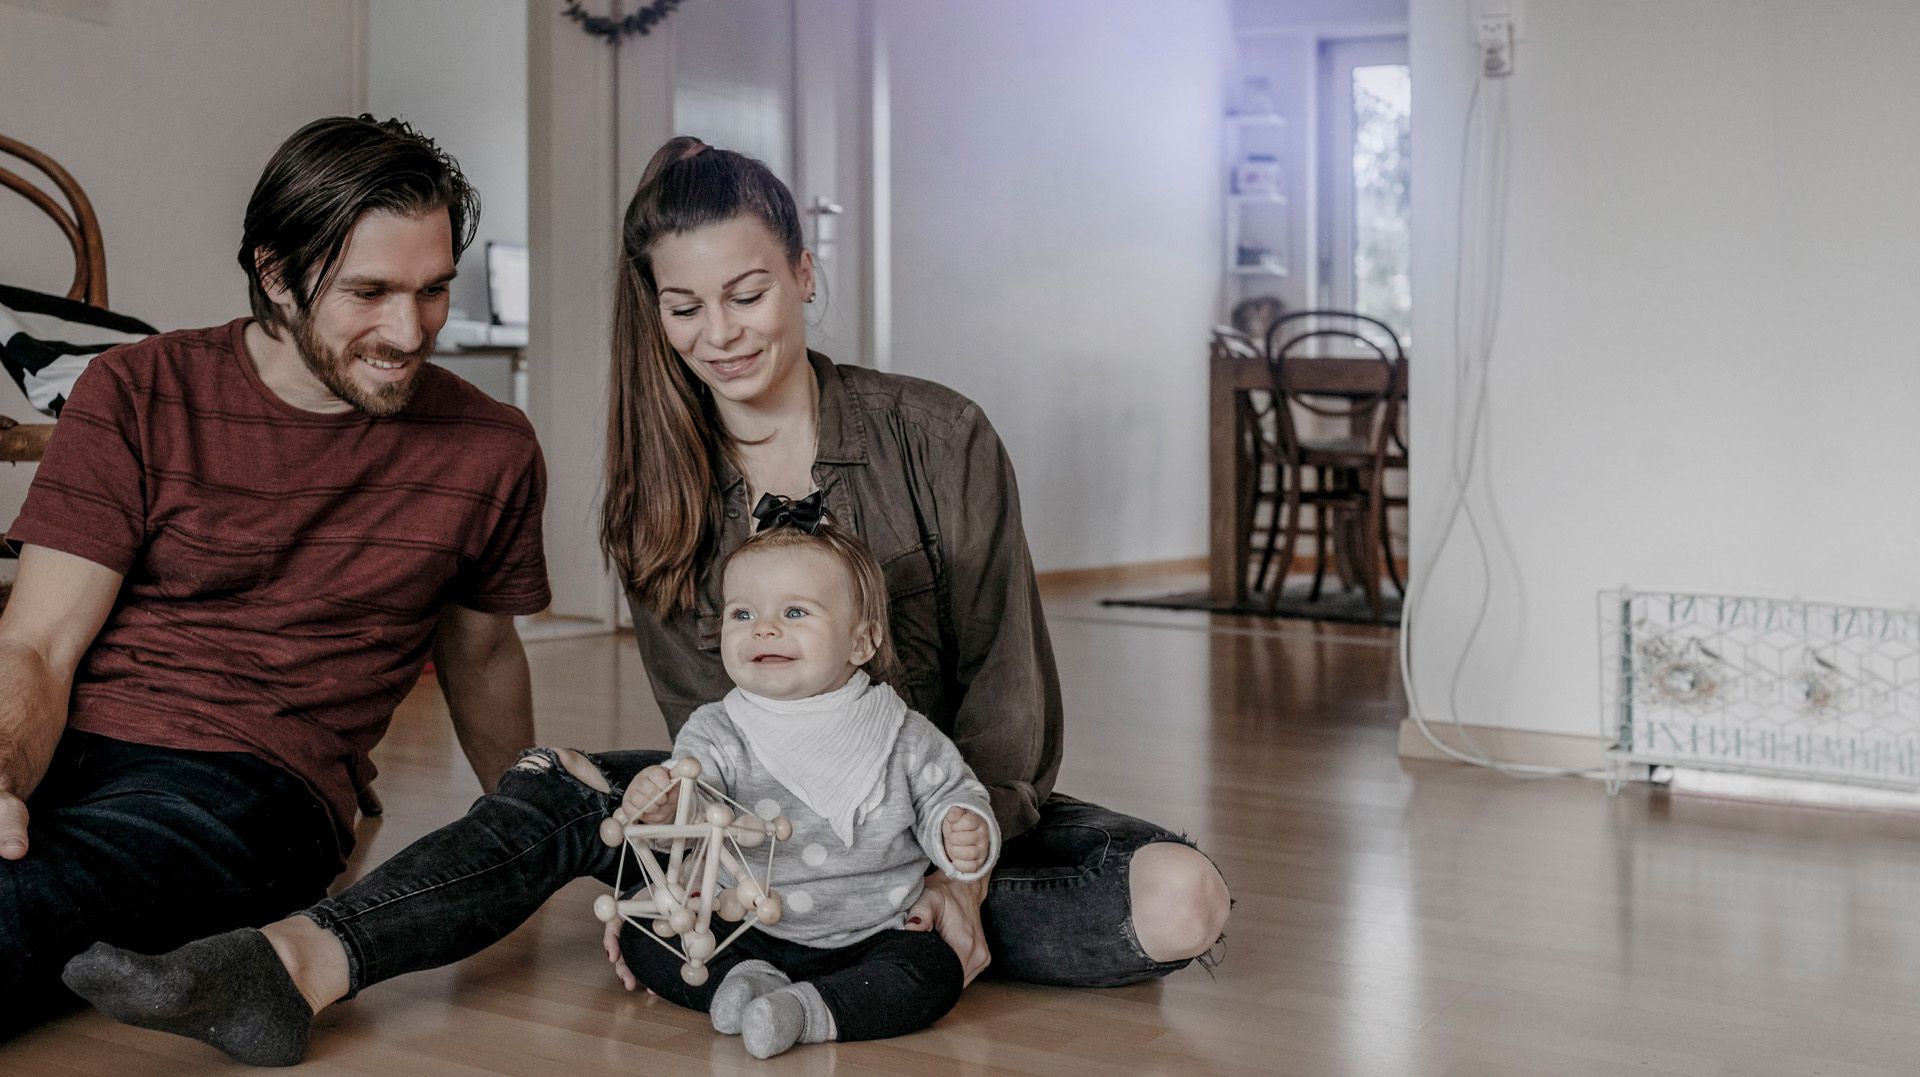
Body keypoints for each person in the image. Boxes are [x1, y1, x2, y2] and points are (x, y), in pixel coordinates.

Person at [61, 136, 1231, 1066]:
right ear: (656, 311)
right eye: (686, 307)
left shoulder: (940, 435)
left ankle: (861, 942)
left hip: (945, 814)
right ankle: (293, 966)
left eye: (749, 293)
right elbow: (706, 736)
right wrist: (678, 869)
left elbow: (1011, 698)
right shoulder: (653, 500)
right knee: (553, 790)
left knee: (1179, 903)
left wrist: (953, 872)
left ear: (804, 274)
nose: (720, 334)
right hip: (760, 826)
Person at [0, 114, 549, 1036]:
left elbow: (484, 653)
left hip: (247, 783)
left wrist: (523, 829)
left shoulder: (488, 447)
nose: (408, 331)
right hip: (74, 737)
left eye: (433, 291)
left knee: (31, 902)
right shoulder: (137, 390)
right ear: (277, 273)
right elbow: (38, 644)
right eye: (368, 291)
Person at [607, 514, 999, 1058]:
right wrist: (663, 802)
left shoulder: (902, 732)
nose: (763, 628)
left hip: (873, 934)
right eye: (742, 613)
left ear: (861, 642)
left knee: (933, 972)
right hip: (740, 927)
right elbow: (694, 807)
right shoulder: (717, 729)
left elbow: (947, 797)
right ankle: (744, 982)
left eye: (794, 612)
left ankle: (808, 1010)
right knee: (641, 930)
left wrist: (959, 828)